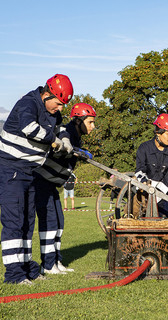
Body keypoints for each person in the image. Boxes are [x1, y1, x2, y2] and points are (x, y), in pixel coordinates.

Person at [0, 74, 73, 284]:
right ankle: (14, 275)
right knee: (14, 222)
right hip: (10, 169)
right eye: (58, 103)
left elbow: (61, 128)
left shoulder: (52, 112)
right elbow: (29, 128)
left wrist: (65, 138)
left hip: (30, 172)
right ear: (47, 94)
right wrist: (55, 141)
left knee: (27, 222)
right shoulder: (27, 103)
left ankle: (28, 269)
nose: (60, 108)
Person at [33, 102, 96, 275]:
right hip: (42, 181)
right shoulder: (67, 132)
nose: (93, 126)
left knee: (59, 222)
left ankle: (56, 261)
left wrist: (79, 150)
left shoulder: (76, 135)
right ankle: (47, 264)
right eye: (90, 122)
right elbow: (59, 148)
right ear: (78, 121)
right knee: (50, 222)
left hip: (52, 184)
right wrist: (76, 151)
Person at [134, 113, 168, 218]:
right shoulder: (144, 148)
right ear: (158, 133)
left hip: (161, 194)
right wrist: (145, 185)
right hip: (143, 190)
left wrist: (156, 195)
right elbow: (139, 169)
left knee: (163, 219)